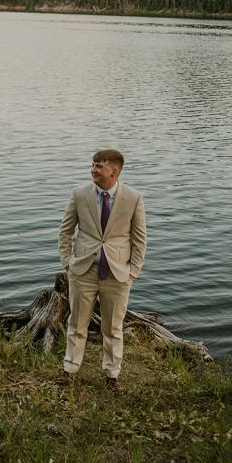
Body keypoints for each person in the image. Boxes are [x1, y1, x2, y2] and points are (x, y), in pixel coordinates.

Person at [57, 149, 147, 394]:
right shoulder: (79, 194)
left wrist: (133, 272)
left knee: (113, 328)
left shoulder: (133, 198)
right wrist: (67, 263)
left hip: (118, 274)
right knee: (76, 324)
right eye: (93, 165)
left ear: (113, 171)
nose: (93, 170)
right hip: (83, 271)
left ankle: (112, 377)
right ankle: (69, 372)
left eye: (99, 166)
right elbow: (65, 231)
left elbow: (139, 239)